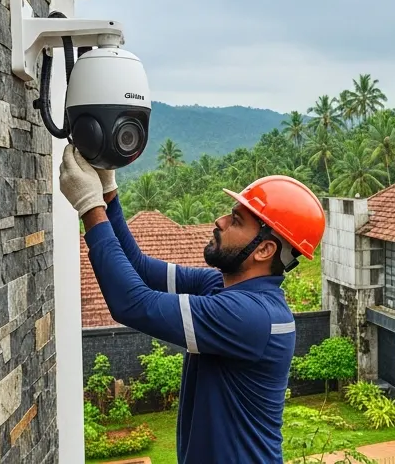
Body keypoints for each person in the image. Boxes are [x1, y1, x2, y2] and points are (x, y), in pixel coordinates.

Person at [60, 146, 325, 464]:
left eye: (236, 221)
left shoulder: (251, 316)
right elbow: (140, 269)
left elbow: (131, 303)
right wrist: (108, 191)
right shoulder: (223, 288)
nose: (220, 220)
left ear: (265, 249)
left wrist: (89, 207)